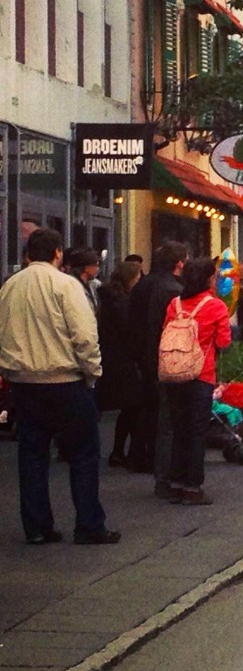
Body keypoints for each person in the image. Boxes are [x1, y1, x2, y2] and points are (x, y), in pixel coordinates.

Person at [0, 227, 120, 544]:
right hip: (66, 381)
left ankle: (38, 527)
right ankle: (89, 525)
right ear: (57, 254)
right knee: (83, 455)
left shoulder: (10, 286)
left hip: (24, 383)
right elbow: (84, 336)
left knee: (32, 456)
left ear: (28, 254)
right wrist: (92, 374)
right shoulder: (66, 285)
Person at [161, 257, 231, 505]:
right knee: (197, 431)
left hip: (174, 375)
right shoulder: (216, 306)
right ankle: (193, 487)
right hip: (201, 374)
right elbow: (223, 342)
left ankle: (176, 482)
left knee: (179, 429)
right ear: (208, 279)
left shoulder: (175, 304)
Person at [128, 241, 187, 495]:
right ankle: (159, 465)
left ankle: (139, 454)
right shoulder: (173, 290)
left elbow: (135, 320)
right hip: (163, 355)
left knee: (146, 408)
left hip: (143, 353)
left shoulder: (144, 284)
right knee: (165, 417)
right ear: (179, 263)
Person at [95, 260, 143, 470]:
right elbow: (129, 331)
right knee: (132, 406)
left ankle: (119, 451)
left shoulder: (109, 300)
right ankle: (122, 451)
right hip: (122, 360)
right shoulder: (121, 303)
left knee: (127, 407)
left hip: (111, 358)